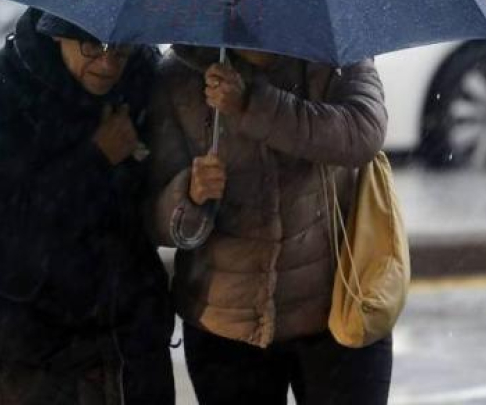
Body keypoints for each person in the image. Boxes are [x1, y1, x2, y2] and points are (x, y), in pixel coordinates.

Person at [0, 9, 174, 405]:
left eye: (121, 48)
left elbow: (149, 205)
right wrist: (95, 157)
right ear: (58, 34)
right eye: (92, 46)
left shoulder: (145, 83)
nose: (108, 62)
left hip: (123, 337)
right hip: (12, 342)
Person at [147, 45, 391, 404]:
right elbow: (154, 218)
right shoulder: (179, 75)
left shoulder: (337, 56)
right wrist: (190, 195)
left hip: (339, 313)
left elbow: (363, 133)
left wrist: (252, 105)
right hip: (227, 327)